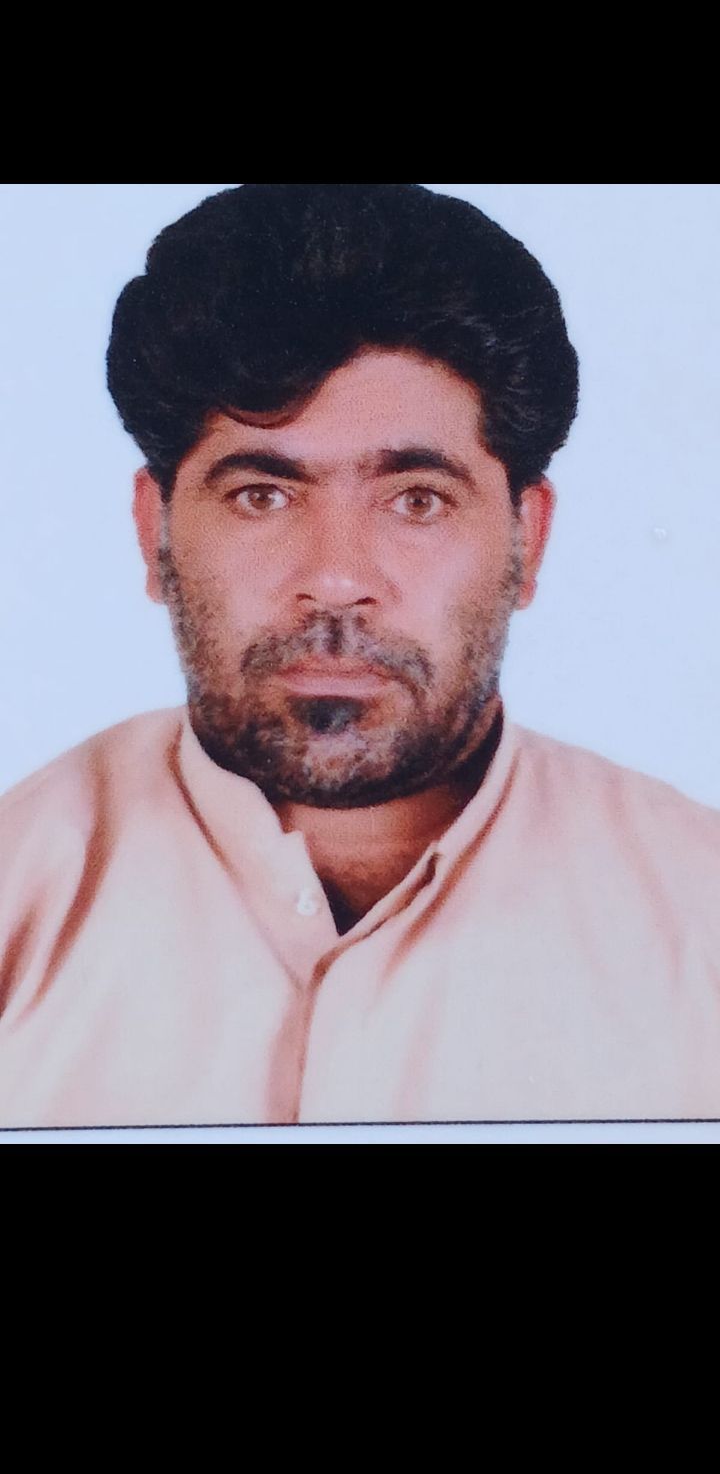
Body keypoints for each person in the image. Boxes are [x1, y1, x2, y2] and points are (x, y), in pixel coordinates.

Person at [1, 181, 718, 1129]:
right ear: (153, 532)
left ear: (528, 540)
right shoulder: (19, 892)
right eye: (262, 494)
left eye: (416, 499)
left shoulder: (700, 918)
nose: (336, 580)